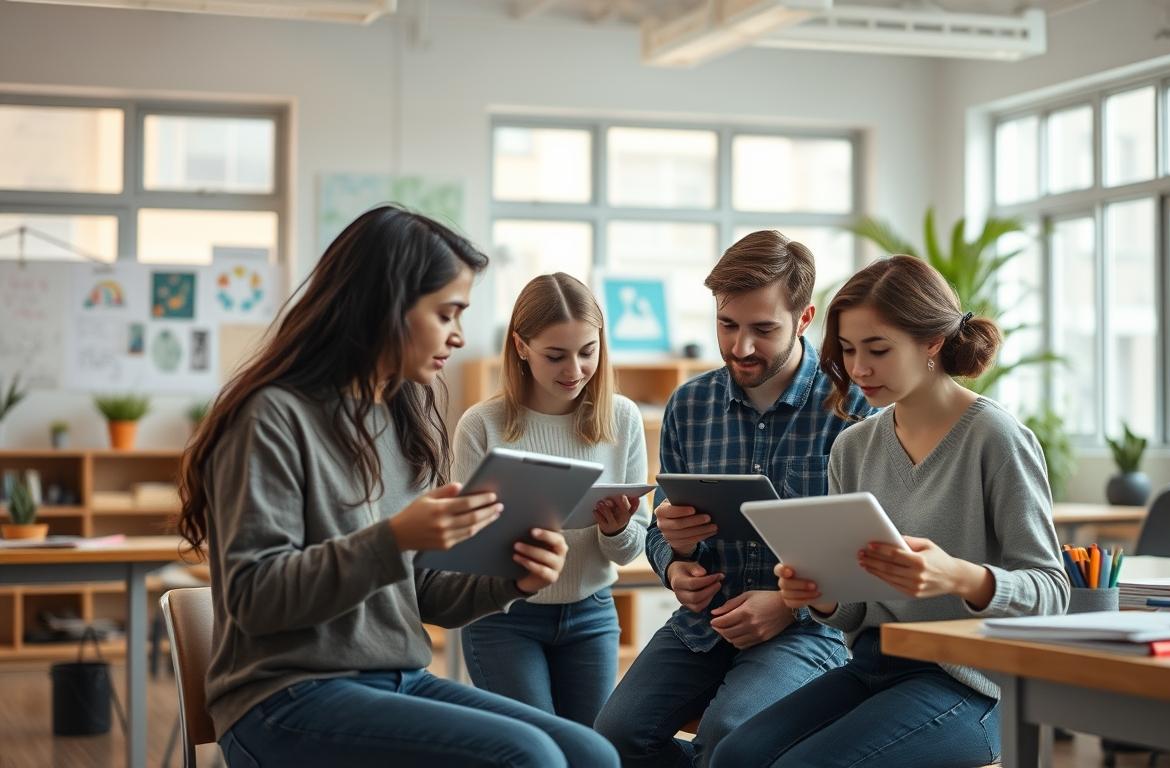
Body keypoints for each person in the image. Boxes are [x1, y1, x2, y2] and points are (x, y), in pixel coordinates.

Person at [176, 206, 619, 768]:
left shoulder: (399, 418)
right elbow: (255, 598)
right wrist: (393, 538)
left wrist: (512, 578)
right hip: (282, 697)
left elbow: (426, 593)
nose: (459, 336)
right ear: (386, 309)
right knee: (528, 757)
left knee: (593, 755)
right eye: (447, 313)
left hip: (398, 678)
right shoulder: (271, 418)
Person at [710, 255, 1069, 768]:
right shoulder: (853, 447)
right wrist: (821, 596)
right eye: (850, 351)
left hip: (974, 685)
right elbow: (856, 610)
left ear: (933, 343)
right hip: (874, 666)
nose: (858, 369)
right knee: (734, 755)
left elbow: (1052, 593)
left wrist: (960, 577)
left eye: (877, 349)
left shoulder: (996, 438)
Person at [594, 231, 875, 767]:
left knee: (728, 737)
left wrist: (788, 606)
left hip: (809, 631)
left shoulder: (853, 409)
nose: (740, 347)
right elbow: (660, 532)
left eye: (763, 329)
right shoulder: (690, 404)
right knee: (614, 737)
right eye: (727, 325)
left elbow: (868, 552)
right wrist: (674, 565)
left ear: (804, 318)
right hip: (704, 626)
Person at [453, 272, 650, 725]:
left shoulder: (621, 418)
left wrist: (616, 528)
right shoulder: (482, 425)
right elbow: (464, 550)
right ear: (521, 347)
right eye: (556, 356)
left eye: (587, 352)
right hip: (504, 617)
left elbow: (628, 550)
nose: (575, 371)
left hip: (592, 614)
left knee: (592, 751)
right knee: (539, 751)